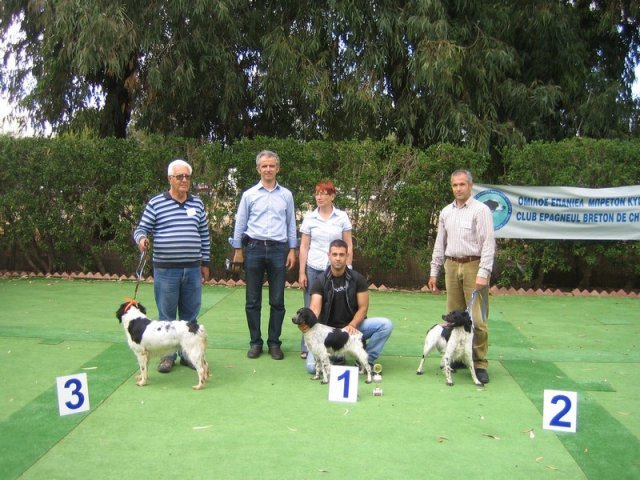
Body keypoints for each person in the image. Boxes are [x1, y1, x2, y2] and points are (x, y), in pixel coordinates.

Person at [133, 159, 211, 373]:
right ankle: (167, 356)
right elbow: (140, 229)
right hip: (166, 269)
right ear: (170, 179)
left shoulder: (197, 203)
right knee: (166, 317)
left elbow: (204, 234)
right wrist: (141, 240)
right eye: (180, 177)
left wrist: (205, 262)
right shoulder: (156, 203)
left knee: (190, 316)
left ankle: (189, 355)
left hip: (193, 268)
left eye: (187, 176)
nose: (185, 180)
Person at [427, 169, 495, 384]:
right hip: (451, 265)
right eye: (454, 185)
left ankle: (479, 363)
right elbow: (440, 243)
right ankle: (457, 357)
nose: (458, 189)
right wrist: (433, 271)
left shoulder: (481, 210)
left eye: (462, 185)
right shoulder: (446, 212)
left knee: (477, 319)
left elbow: (488, 244)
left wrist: (483, 272)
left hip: (474, 266)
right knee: (453, 317)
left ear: (470, 186)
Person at [231, 150, 297, 360]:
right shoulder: (249, 195)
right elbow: (240, 223)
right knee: (252, 301)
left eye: (272, 166)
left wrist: (292, 249)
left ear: (278, 168)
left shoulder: (286, 195)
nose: (268, 169)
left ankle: (274, 343)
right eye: (264, 166)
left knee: (277, 301)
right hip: (254, 249)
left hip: (278, 250)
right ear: (258, 169)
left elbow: (291, 224)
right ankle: (255, 342)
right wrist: (238, 250)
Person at [305, 239, 393, 374]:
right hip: (328, 334)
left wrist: (352, 325)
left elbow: (363, 308)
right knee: (311, 367)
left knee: (386, 325)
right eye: (334, 254)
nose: (338, 258)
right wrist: (308, 322)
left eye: (341, 254)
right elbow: (315, 309)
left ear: (347, 256)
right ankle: (336, 357)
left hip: (352, 328)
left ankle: (364, 360)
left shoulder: (358, 279)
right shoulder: (320, 281)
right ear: (329, 255)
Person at [298, 180, 353, 359]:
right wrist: (301, 272)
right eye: (317, 193)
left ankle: (333, 343)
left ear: (332, 196)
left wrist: (349, 268)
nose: (319, 197)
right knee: (310, 309)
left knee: (336, 305)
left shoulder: (342, 217)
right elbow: (304, 247)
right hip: (314, 268)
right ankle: (307, 346)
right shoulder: (309, 217)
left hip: (336, 270)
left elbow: (348, 244)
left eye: (323, 193)